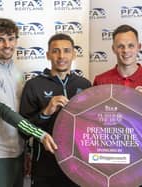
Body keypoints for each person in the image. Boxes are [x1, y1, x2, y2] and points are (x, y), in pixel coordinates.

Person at [0, 18, 57, 187]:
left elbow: (21, 112)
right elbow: (5, 112)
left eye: (11, 39)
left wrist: (25, 149)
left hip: (17, 153)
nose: (7, 45)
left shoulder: (17, 71)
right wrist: (39, 134)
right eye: (0, 39)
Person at [93, 24, 142, 187]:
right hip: (111, 158)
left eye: (130, 45)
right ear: (113, 48)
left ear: (138, 47)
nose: (126, 51)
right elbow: (93, 122)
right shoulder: (101, 81)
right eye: (120, 46)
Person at [19, 33, 92, 187]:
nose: (61, 56)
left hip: (79, 165)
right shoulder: (34, 85)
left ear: (73, 54)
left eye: (66, 51)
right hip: (46, 165)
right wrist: (46, 111)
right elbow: (23, 130)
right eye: (55, 51)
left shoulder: (85, 85)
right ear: (47, 55)